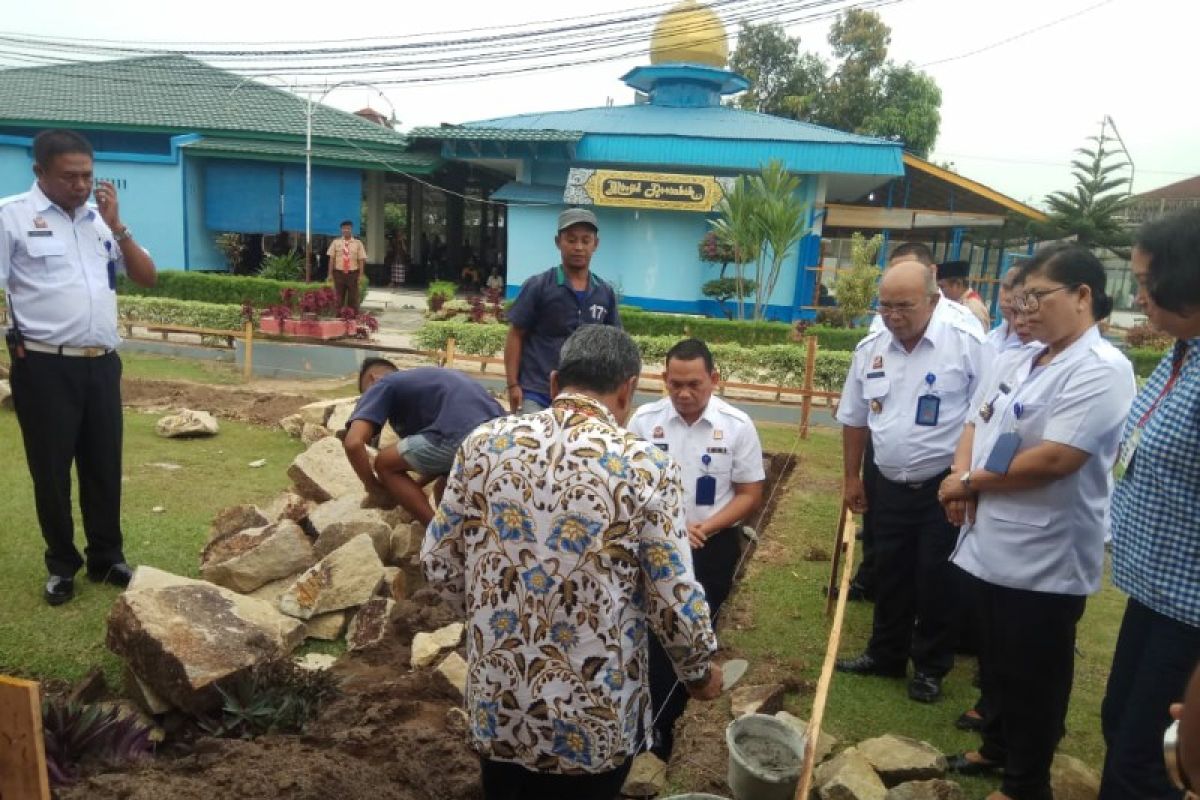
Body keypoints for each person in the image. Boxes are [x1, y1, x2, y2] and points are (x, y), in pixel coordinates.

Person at [422, 325, 723, 800]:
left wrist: (495, 624)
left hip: (498, 703)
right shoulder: (647, 466)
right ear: (627, 389)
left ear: (557, 380)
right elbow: (672, 597)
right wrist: (700, 671)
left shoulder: (483, 444)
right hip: (591, 717)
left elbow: (438, 561)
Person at [938, 243, 1136, 800]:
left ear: (1082, 297)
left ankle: (1026, 784)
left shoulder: (1102, 370)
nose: (1024, 309)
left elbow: (1057, 458)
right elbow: (974, 422)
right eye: (1019, 298)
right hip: (988, 540)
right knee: (996, 664)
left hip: (1045, 556)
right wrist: (959, 476)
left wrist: (969, 483)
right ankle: (996, 747)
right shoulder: (1021, 358)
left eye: (1036, 297)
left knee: (1035, 676)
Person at [1, 129, 156, 605]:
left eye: (87, 175)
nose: (81, 185)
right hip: (45, 368)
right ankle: (61, 564)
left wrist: (118, 228)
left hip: (102, 366)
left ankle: (107, 558)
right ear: (39, 173)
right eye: (69, 176)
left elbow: (146, 277)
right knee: (51, 472)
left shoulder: (99, 222)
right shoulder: (12, 218)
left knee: (104, 467)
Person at [835, 260, 984, 704]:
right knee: (890, 569)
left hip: (942, 483)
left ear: (934, 301)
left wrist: (963, 480)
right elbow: (854, 417)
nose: (893, 314)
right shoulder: (872, 348)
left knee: (936, 576)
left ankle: (931, 668)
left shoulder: (965, 345)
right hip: (887, 480)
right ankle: (885, 655)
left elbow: (983, 418)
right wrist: (851, 477)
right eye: (885, 305)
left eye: (904, 305)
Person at [1100, 209, 1200, 800]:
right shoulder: (1183, 351)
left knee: (1147, 760)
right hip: (1155, 589)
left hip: (1191, 610)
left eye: (1145, 282)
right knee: (1121, 721)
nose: (1138, 295)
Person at [627, 338, 765, 760]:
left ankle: (670, 721)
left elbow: (749, 492)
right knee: (648, 634)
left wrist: (703, 526)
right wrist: (672, 528)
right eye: (675, 385)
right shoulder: (644, 422)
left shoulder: (737, 425)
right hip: (652, 545)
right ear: (663, 380)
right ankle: (645, 725)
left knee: (694, 632)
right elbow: (627, 486)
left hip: (710, 546)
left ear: (714, 380)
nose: (684, 394)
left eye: (694, 385)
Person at [344, 360, 504, 526]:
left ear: (372, 378)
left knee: (384, 463)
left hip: (462, 433)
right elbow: (441, 457)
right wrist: (414, 485)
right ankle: (463, 537)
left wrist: (374, 488)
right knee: (443, 487)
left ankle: (438, 538)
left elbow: (353, 443)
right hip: (501, 435)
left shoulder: (383, 383)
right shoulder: (425, 382)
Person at [504, 208, 621, 413]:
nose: (578, 247)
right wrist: (513, 385)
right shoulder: (538, 285)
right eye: (571, 240)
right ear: (558, 242)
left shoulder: (605, 292)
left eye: (586, 240)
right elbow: (516, 335)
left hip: (585, 397)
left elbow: (614, 344)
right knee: (534, 444)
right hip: (536, 393)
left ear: (596, 244)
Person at [325, 220, 367, 312]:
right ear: (341, 230)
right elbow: (331, 259)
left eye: (348, 228)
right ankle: (338, 319)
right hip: (339, 274)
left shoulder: (358, 243)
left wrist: (361, 275)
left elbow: (361, 260)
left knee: (353, 298)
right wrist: (330, 274)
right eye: (344, 228)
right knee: (338, 298)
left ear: (351, 229)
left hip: (353, 274)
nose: (346, 230)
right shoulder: (336, 242)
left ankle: (352, 318)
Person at [938, 260, 991, 330]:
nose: (939, 292)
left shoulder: (973, 308)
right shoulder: (958, 303)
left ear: (957, 284)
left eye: (942, 287)